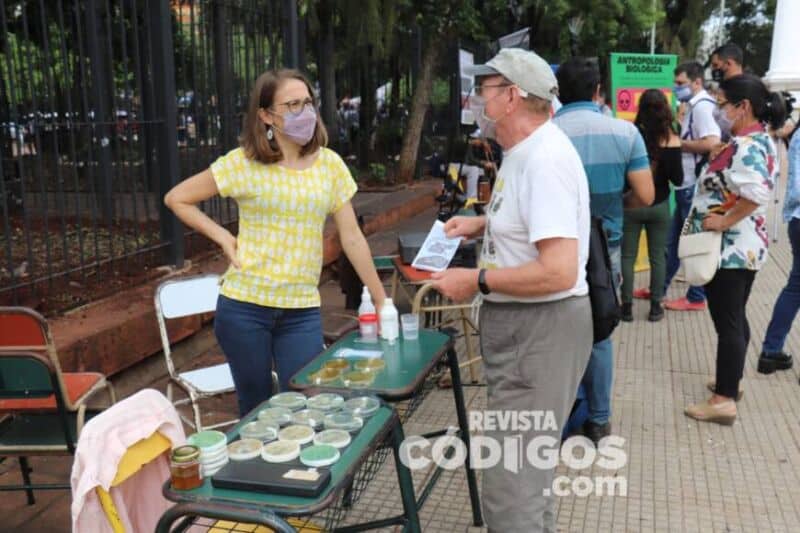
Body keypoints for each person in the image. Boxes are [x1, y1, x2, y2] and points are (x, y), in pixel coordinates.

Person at [430, 47, 593, 532]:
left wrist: (474, 279)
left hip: (539, 330)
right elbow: (532, 227)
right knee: (525, 475)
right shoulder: (525, 154)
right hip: (529, 331)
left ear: (512, 97)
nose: (477, 99)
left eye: (485, 90)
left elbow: (558, 270)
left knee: (512, 485)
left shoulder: (544, 160)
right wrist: (482, 225)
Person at [164, 69, 386, 416]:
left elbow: (352, 237)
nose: (305, 113)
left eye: (308, 103)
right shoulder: (243, 164)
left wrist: (382, 298)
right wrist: (223, 236)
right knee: (257, 411)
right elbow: (177, 198)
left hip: (301, 311)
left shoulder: (329, 165)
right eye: (293, 105)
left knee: (304, 406)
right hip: (245, 308)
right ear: (266, 115)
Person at [552, 57, 655, 444]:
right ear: (599, 91)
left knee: (559, 332)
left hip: (555, 248)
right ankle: (598, 419)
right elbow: (645, 194)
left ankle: (564, 416)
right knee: (599, 330)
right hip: (605, 246)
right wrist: (612, 208)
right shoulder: (625, 134)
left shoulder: (545, 135)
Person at [684, 74, 785, 425]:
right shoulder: (749, 141)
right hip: (740, 248)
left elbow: (756, 193)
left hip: (731, 250)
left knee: (727, 323)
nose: (719, 111)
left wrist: (724, 222)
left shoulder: (748, 145)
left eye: (723, 104)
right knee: (735, 319)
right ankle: (731, 380)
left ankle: (723, 398)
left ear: (743, 107)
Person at [644, 62, 721, 311]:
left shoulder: (701, 108)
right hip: (686, 184)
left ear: (696, 82)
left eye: (680, 83)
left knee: (692, 242)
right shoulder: (694, 106)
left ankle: (696, 296)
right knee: (673, 242)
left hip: (694, 185)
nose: (676, 88)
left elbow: (711, 143)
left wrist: (677, 144)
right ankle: (659, 288)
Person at [621, 90, 683, 322]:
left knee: (627, 256)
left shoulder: (632, 135)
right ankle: (656, 306)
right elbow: (677, 179)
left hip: (632, 203)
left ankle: (626, 306)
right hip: (659, 205)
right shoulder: (672, 138)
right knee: (658, 256)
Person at [758, 119, 800, 376]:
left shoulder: (796, 134)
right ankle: (771, 350)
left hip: (797, 219)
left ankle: (771, 351)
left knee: (795, 287)